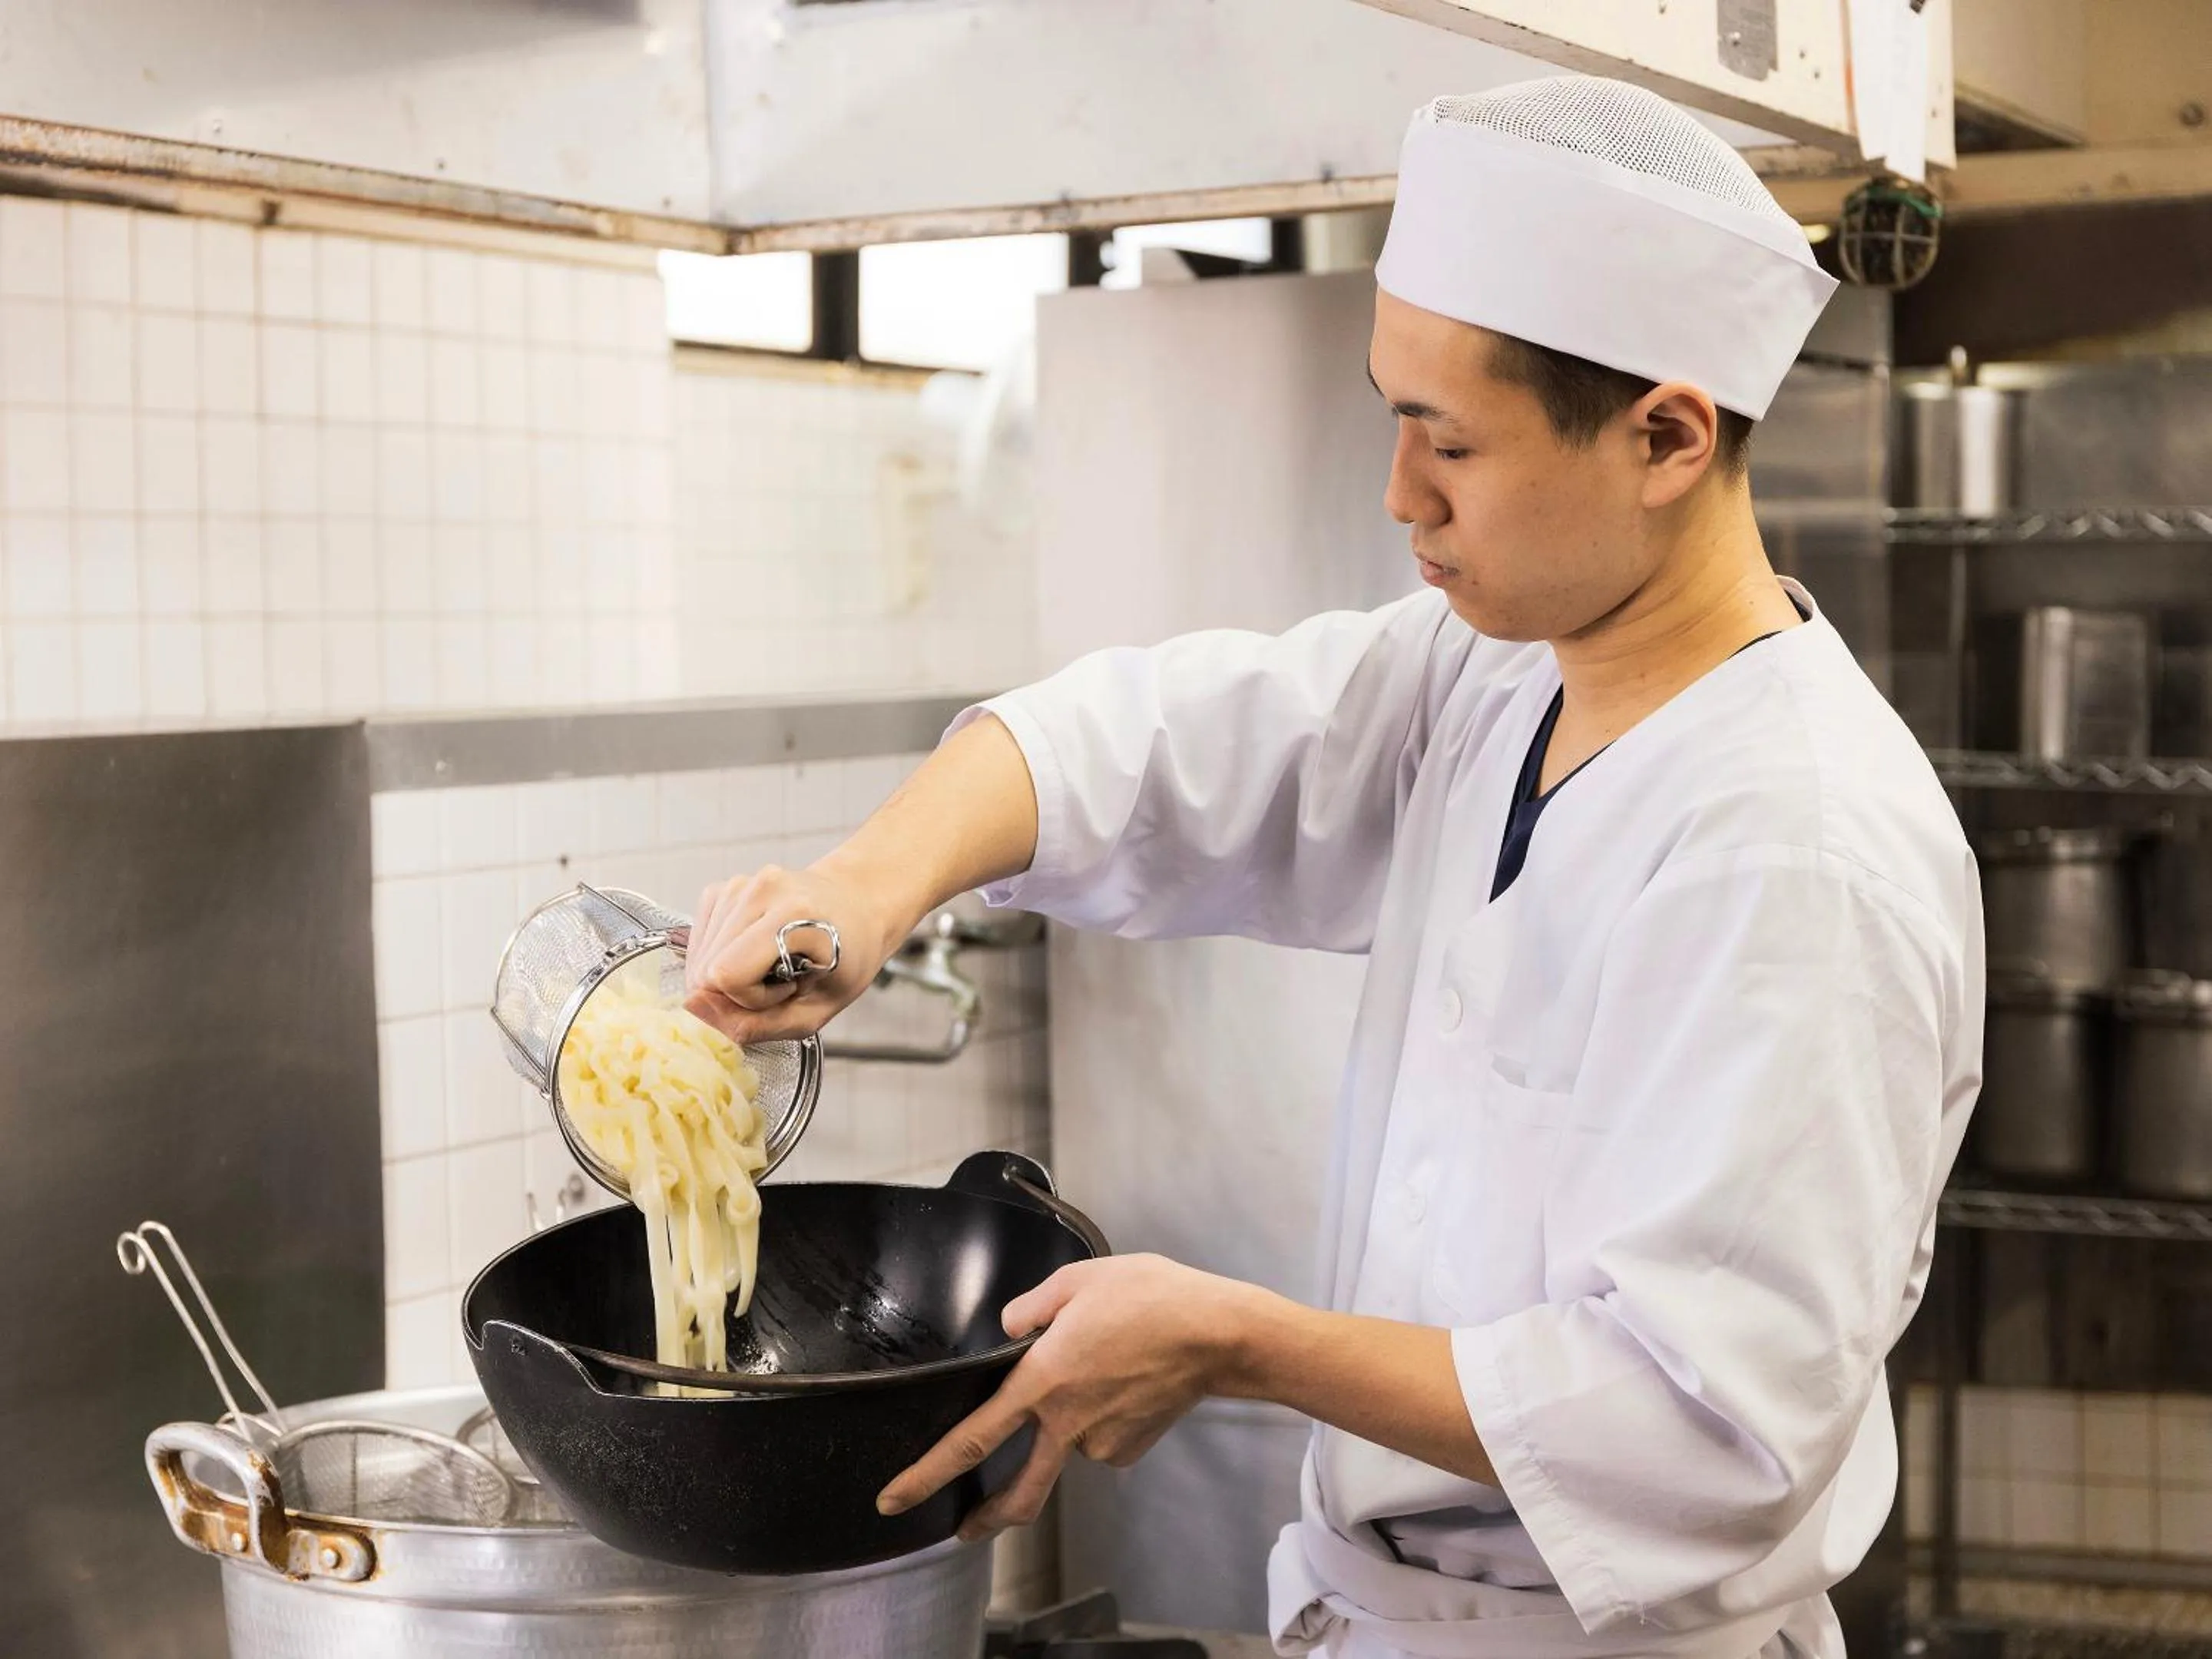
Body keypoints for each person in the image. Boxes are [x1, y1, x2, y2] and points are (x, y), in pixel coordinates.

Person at [683, 75, 1983, 1659]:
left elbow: (1706, 1432)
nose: (1400, 498)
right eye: (1391, 419)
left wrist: (1239, 1343)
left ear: (1665, 437)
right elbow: (1151, 744)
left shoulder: (1801, 852)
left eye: (1452, 443)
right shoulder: (1496, 678)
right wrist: (867, 886)